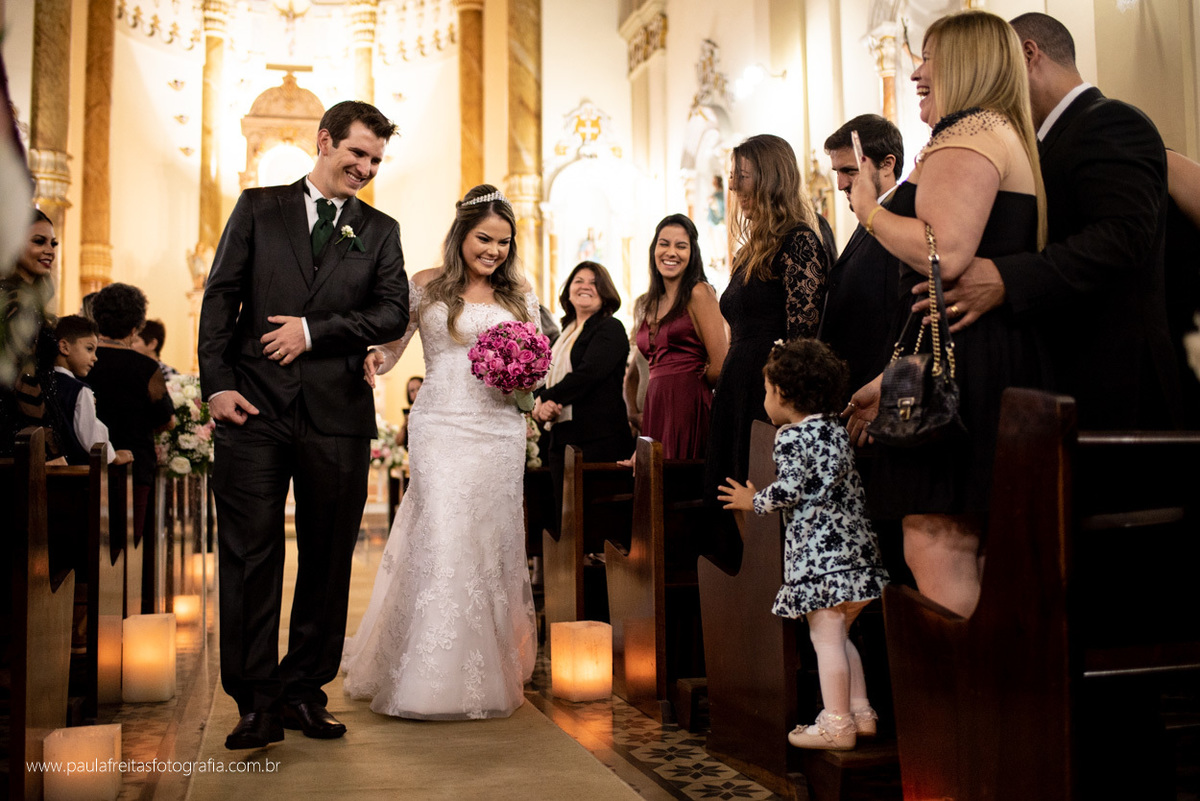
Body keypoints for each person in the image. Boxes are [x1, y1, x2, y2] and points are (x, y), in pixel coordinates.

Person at [197, 101, 409, 749]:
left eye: (375, 159)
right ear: (325, 141)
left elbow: (392, 311)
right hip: (253, 409)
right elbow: (220, 298)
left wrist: (314, 331)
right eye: (357, 154)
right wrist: (218, 384)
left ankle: (303, 690)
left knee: (326, 559)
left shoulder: (380, 229)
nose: (366, 168)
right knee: (250, 555)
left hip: (337, 415)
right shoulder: (259, 209)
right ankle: (255, 700)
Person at [844, 9, 1048, 619]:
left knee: (938, 541)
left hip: (971, 359)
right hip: (979, 350)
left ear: (964, 63)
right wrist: (890, 378)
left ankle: (969, 712)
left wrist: (869, 210)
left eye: (928, 56)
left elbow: (945, 252)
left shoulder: (968, 134)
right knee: (972, 544)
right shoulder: (993, 131)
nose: (916, 70)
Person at [928, 12, 1179, 431]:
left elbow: (1122, 238)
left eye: (1001, 66)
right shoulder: (1036, 142)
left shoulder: (1109, 121)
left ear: (1028, 55)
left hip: (1114, 380)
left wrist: (1006, 278)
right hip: (1055, 373)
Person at [342, 184, 537, 720]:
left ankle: (484, 664)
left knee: (487, 538)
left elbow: (535, 361)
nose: (493, 251)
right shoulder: (426, 285)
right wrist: (375, 359)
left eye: (502, 242)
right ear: (461, 235)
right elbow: (395, 341)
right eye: (483, 239)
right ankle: (427, 673)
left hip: (498, 427)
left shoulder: (519, 294)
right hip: (440, 424)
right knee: (443, 532)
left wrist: (523, 375)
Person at [718, 339, 888, 751]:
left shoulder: (791, 436)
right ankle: (861, 713)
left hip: (820, 561)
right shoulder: (833, 429)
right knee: (843, 636)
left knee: (825, 640)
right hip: (857, 557)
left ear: (781, 393)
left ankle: (836, 725)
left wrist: (753, 499)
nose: (764, 400)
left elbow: (794, 488)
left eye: (765, 391)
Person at [703, 133, 830, 563]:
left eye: (743, 177)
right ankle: (742, 609)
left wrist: (783, 405)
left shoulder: (799, 242)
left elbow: (802, 339)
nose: (734, 188)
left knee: (757, 499)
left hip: (768, 395)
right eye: (733, 177)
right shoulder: (750, 250)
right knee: (729, 494)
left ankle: (767, 608)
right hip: (736, 391)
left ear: (771, 178)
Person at [532, 261, 632, 528]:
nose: (585, 286)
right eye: (579, 280)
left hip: (598, 440)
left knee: (594, 524)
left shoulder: (610, 328)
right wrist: (541, 405)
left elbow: (588, 374)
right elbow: (544, 377)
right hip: (562, 438)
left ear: (605, 291)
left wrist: (547, 397)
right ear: (568, 290)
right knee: (564, 523)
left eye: (593, 282)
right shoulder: (561, 336)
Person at [818, 115, 907, 396]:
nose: (841, 183)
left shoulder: (901, 219)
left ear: (887, 165)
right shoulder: (868, 218)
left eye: (850, 170)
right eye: (836, 172)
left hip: (876, 392)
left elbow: (899, 319)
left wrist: (881, 388)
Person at [629, 214, 728, 459]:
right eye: (664, 244)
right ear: (654, 249)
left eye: (681, 246)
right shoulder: (650, 302)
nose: (671, 252)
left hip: (688, 403)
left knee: (680, 485)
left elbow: (721, 363)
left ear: (692, 253)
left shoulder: (699, 292)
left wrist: (689, 380)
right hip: (656, 403)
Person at [88, 283, 175, 548]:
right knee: (127, 546)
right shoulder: (147, 367)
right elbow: (167, 420)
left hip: (85, 463)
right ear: (136, 326)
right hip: (133, 465)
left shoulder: (83, 359)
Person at [0, 209, 70, 462]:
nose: (50, 250)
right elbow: (24, 380)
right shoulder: (14, 300)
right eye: (38, 241)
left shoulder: (23, 297)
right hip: (20, 435)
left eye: (53, 243)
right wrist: (46, 447)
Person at [47, 314, 131, 466]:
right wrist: (115, 457)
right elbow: (92, 439)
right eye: (89, 349)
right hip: (74, 475)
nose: (95, 358)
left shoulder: (40, 383)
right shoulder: (79, 390)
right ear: (65, 347)